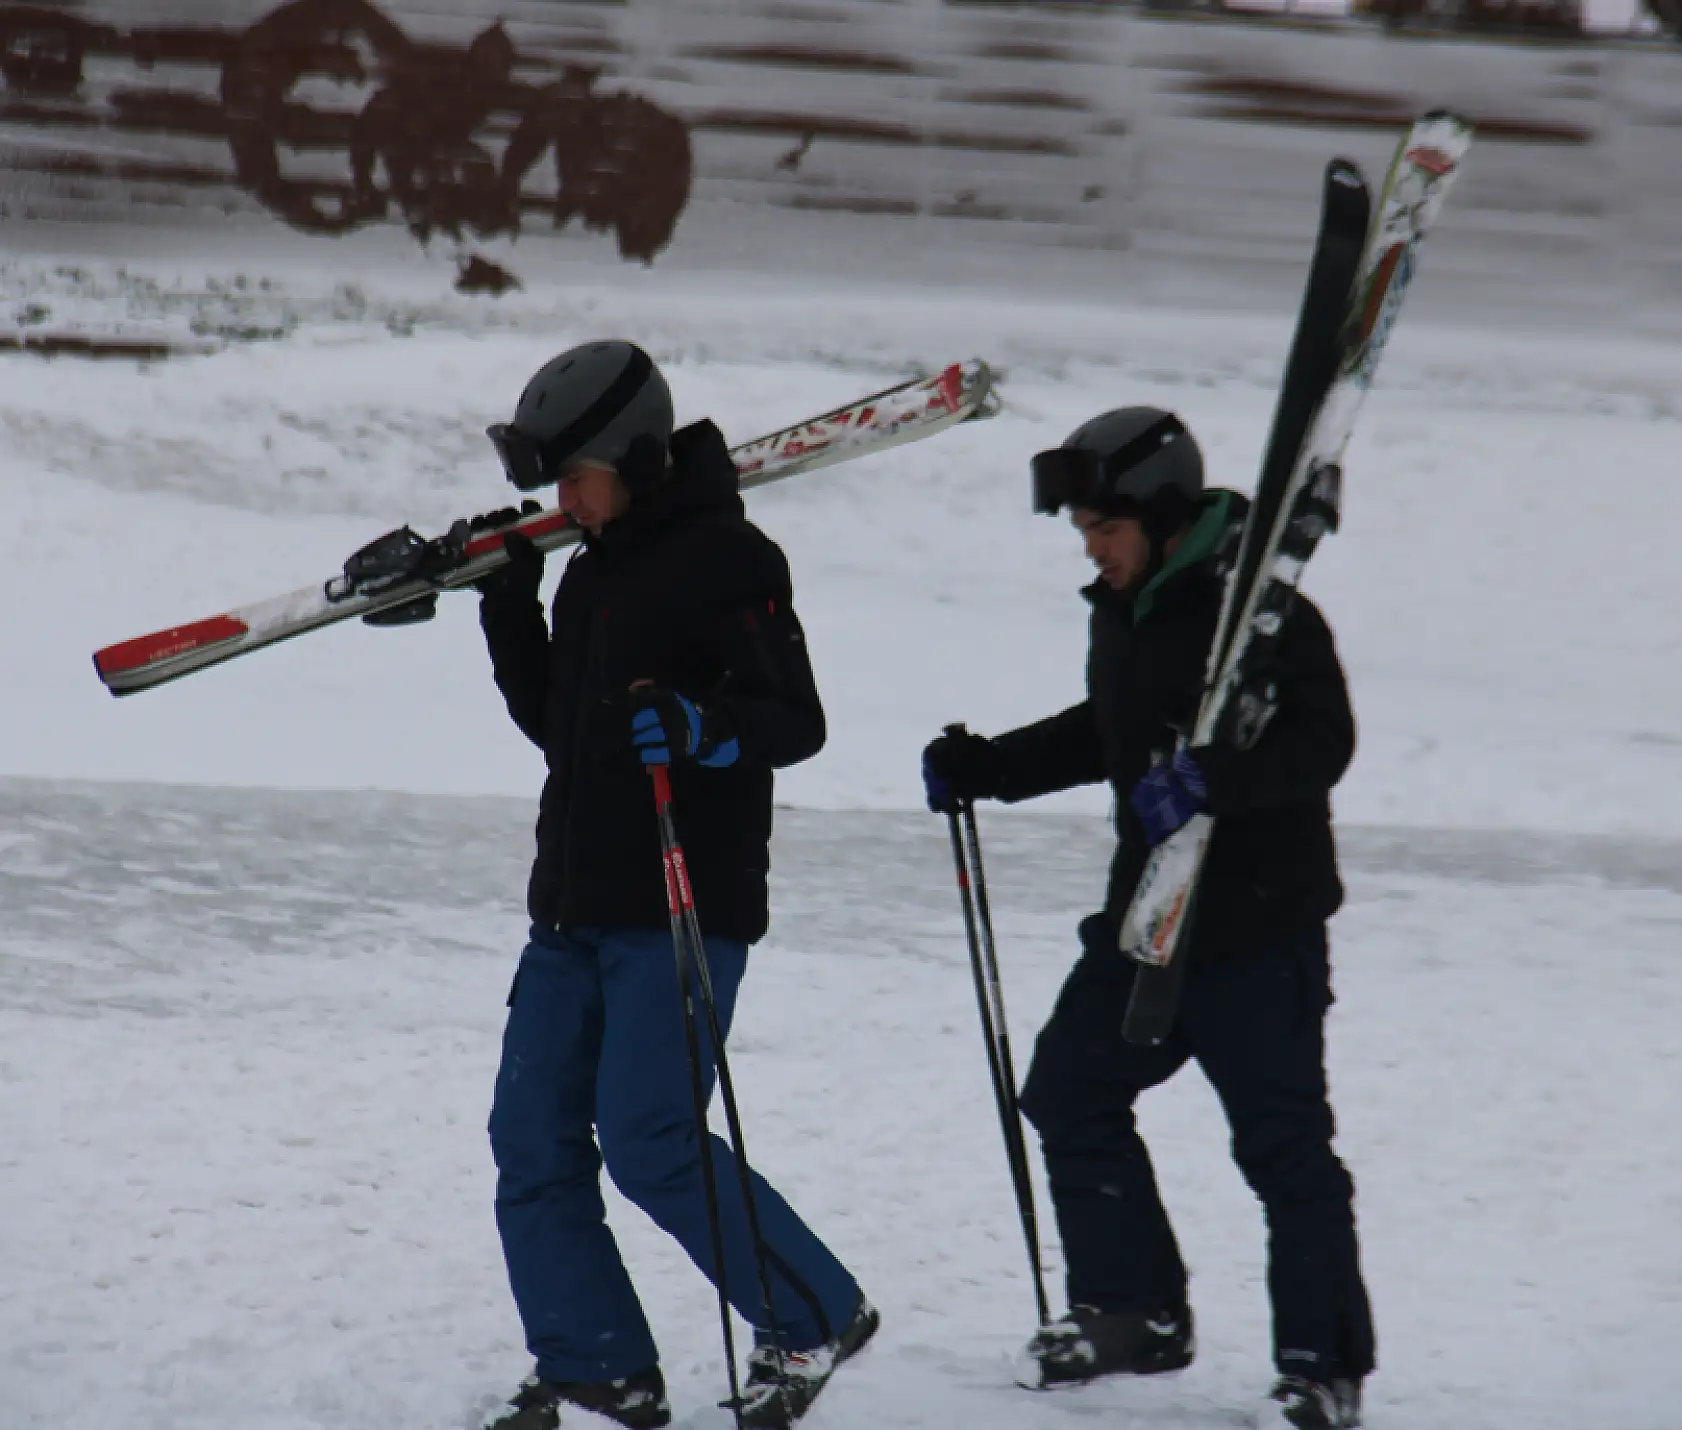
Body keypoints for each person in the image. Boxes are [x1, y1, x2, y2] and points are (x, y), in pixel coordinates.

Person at [920, 408, 1374, 1430]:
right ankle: (1134, 1310)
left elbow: (1324, 743)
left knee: (1283, 1149)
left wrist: (1215, 780)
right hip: (1148, 920)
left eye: (1105, 528)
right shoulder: (1124, 613)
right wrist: (992, 765)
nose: (1091, 547)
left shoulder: (1263, 614)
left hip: (1256, 931)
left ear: (1164, 519)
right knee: (1067, 1090)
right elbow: (1110, 731)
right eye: (1084, 529)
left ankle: (1322, 1366)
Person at [473, 340, 877, 1430]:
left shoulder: (730, 560)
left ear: (638, 459)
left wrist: (706, 726)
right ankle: (596, 1362)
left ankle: (813, 1314)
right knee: (532, 1138)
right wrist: (510, 612)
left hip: (679, 903)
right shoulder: (590, 570)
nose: (564, 503)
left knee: (648, 1135)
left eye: (576, 478)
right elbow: (561, 730)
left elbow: (795, 718)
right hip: (570, 907)